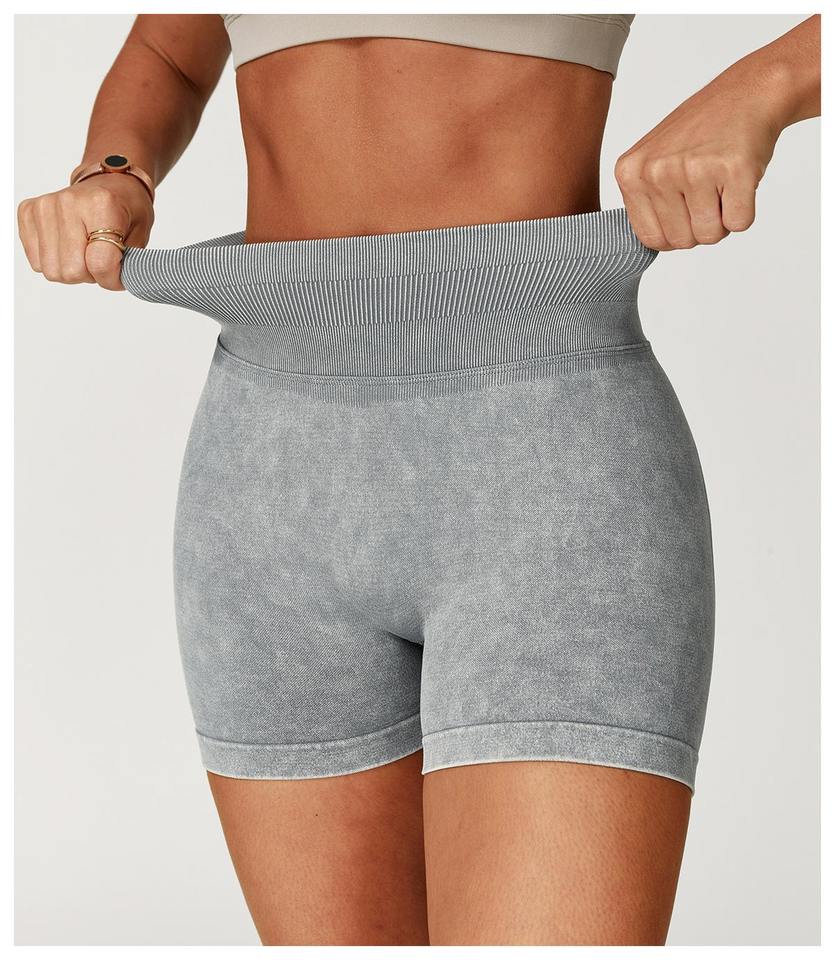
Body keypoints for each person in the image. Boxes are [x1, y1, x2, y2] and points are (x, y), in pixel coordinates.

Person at [17, 13, 820, 947]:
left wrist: (762, 85)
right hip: (268, 464)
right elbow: (168, 47)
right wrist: (113, 170)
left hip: (546, 458)